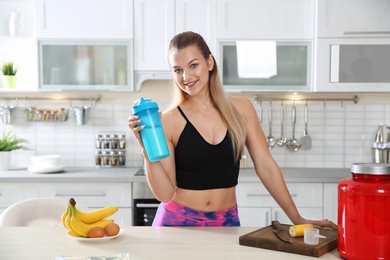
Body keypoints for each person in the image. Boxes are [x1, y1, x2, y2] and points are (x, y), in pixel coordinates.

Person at [128, 31, 337, 229]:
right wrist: (147, 150)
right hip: (176, 223)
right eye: (178, 70)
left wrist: (297, 218)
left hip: (226, 223)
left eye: (193, 65)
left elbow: (265, 165)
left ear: (209, 62)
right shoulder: (168, 120)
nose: (186, 76)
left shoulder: (241, 108)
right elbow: (164, 194)